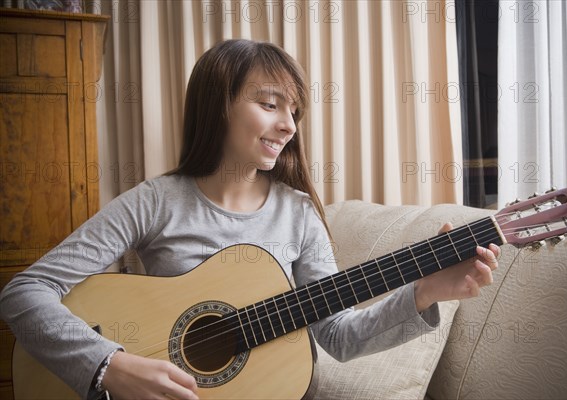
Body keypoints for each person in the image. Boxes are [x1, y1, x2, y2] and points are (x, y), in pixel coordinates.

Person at [0, 39, 499, 400]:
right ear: (219, 106)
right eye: (269, 104)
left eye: (295, 112)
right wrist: (108, 366)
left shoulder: (299, 215)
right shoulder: (154, 201)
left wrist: (426, 290)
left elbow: (339, 338)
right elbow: (23, 292)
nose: (288, 125)